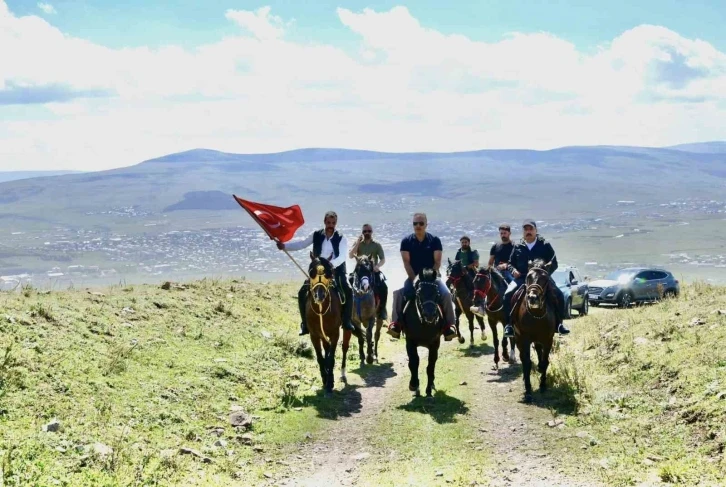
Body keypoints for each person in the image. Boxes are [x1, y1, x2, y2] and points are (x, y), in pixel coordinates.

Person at [277, 211, 355, 336]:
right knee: (302, 292)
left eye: (333, 223)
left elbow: (341, 257)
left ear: (336, 223)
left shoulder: (341, 238)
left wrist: (330, 265)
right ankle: (305, 324)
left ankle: (346, 321)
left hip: (334, 270)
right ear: (324, 222)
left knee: (348, 290)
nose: (331, 225)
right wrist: (284, 246)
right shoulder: (316, 235)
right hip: (318, 270)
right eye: (328, 222)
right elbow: (301, 244)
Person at [386, 213, 458, 341]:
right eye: (415, 223)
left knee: (446, 294)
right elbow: (406, 263)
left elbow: (437, 262)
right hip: (413, 277)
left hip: (432, 277)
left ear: (426, 225)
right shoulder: (406, 241)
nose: (418, 226)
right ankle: (395, 325)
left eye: (421, 223)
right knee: (398, 293)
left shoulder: (434, 240)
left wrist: (429, 276)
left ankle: (449, 326)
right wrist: (415, 280)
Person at [501, 219, 570, 338]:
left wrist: (545, 274)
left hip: (541, 279)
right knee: (507, 295)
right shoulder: (518, 246)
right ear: (523, 232)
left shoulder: (545, 245)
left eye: (530, 229)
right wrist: (514, 271)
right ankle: (509, 325)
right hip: (522, 278)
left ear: (536, 230)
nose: (528, 231)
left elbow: (554, 263)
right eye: (526, 229)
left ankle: (559, 324)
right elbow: (510, 263)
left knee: (559, 294)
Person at [348, 223, 388, 321]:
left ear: (372, 232)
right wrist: (357, 242)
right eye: (364, 231)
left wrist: (377, 266)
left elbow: (383, 259)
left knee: (383, 286)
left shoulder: (377, 245)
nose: (367, 233)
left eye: (369, 231)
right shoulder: (358, 243)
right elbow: (351, 255)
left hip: (373, 271)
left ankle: (382, 310)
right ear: (362, 232)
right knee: (349, 281)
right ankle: (348, 310)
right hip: (360, 272)